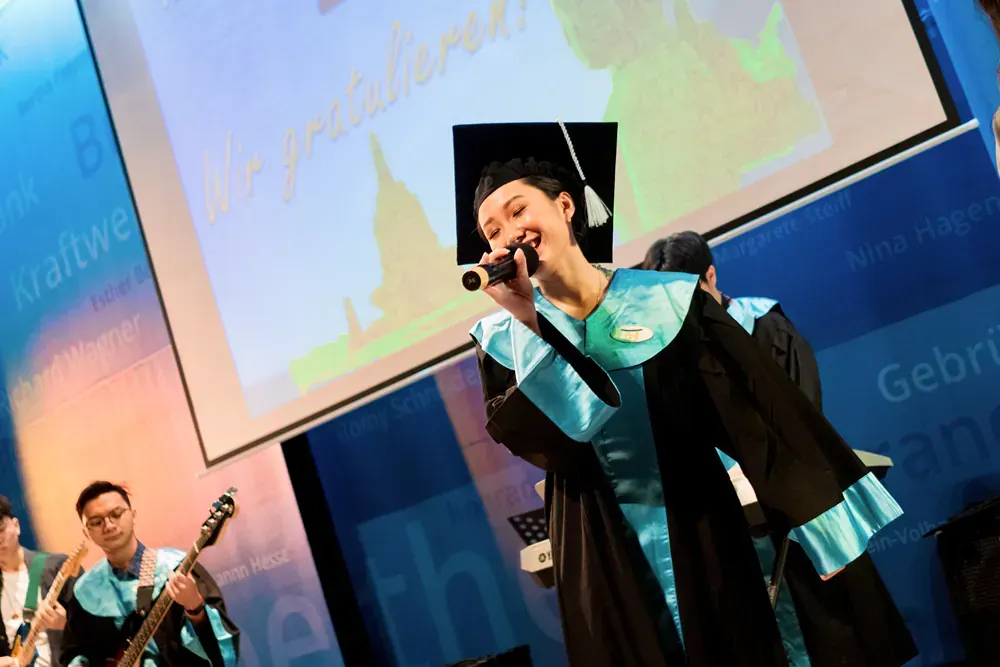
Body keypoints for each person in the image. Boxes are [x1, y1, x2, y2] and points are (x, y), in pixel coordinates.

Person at [454, 120, 918, 666]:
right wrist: (528, 322)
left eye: (517, 210)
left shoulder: (666, 302)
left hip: (698, 524)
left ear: (566, 206)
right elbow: (553, 442)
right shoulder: (503, 341)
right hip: (598, 548)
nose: (507, 234)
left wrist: (818, 522)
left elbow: (754, 413)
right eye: (490, 231)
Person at [61, 482, 239, 667]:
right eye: (96, 522)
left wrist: (195, 608)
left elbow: (223, 650)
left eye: (116, 514)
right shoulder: (85, 592)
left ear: (133, 515)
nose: (108, 525)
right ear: (87, 532)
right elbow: (74, 654)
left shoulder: (176, 567)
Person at [0, 496, 79, 667]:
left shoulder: (57, 567)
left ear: (16, 526)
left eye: (0, 529)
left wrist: (66, 625)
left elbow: (97, 629)